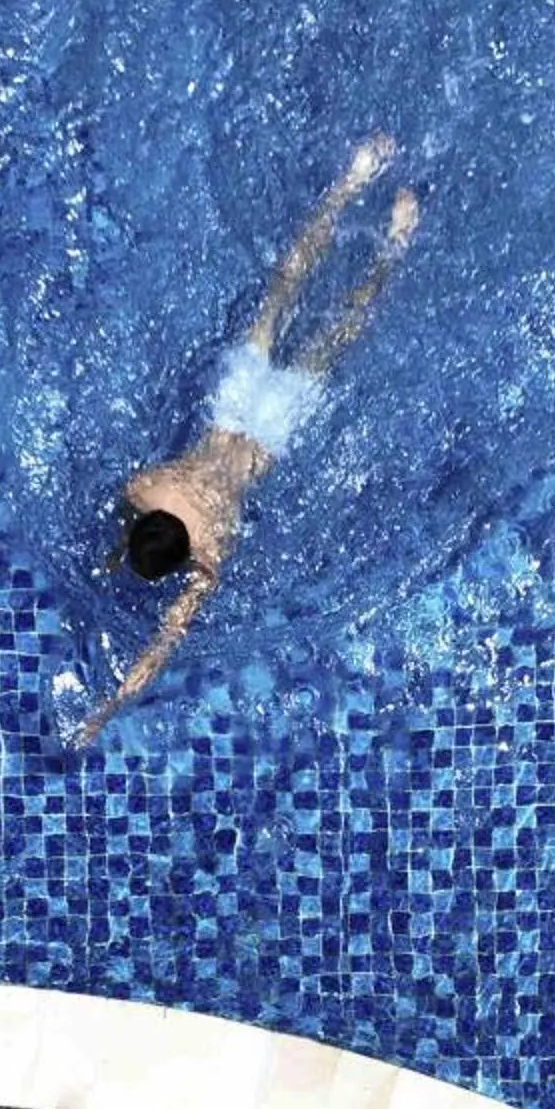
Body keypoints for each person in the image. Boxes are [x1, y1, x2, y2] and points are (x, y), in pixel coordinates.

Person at [70, 133, 420, 746]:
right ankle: (352, 180)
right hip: (233, 404)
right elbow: (133, 521)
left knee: (341, 328)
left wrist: (105, 712)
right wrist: (118, 549)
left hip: (271, 432)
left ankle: (394, 243)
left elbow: (163, 645)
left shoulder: (210, 552)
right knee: (281, 292)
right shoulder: (148, 486)